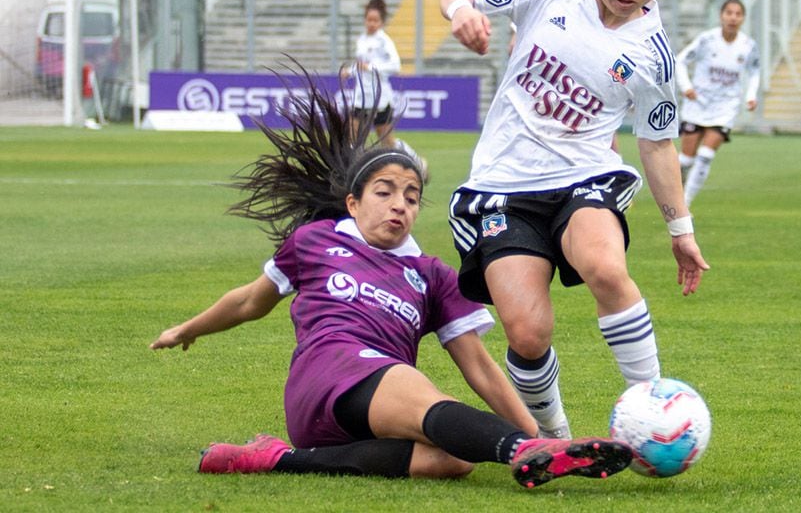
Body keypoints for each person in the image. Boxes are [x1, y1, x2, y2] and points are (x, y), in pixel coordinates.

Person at [150, 63, 632, 489]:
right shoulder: (317, 241)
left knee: (454, 461)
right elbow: (249, 301)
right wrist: (187, 329)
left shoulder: (432, 274)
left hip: (374, 408)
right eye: (385, 192)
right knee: (416, 389)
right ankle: (524, 455)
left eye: (412, 196)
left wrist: (535, 428)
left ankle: (279, 459)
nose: (400, 203)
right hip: (327, 377)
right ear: (354, 202)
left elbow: (480, 366)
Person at [439, 0, 710, 440]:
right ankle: (557, 439)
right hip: (503, 185)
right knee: (527, 334)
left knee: (606, 267)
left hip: (585, 175)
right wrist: (460, 12)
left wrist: (680, 229)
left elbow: (657, 144)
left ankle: (654, 411)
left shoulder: (654, 56)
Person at [675, 0, 761, 206]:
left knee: (705, 155)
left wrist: (750, 96)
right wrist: (686, 87)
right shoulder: (707, 40)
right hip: (698, 103)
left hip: (725, 106)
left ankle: (685, 204)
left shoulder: (748, 46)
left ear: (743, 18)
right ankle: (674, 193)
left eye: (738, 14)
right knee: (685, 159)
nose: (733, 18)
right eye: (729, 13)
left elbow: (755, 72)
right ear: (721, 16)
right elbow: (680, 61)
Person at [347, 0, 428, 177]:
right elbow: (362, 65)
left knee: (386, 141)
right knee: (353, 135)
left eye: (375, 20)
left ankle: (416, 161)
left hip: (379, 97)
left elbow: (395, 66)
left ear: (382, 22)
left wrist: (371, 68)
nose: (372, 23)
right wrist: (350, 70)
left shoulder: (384, 41)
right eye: (369, 19)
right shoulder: (361, 39)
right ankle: (354, 172)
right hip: (361, 96)